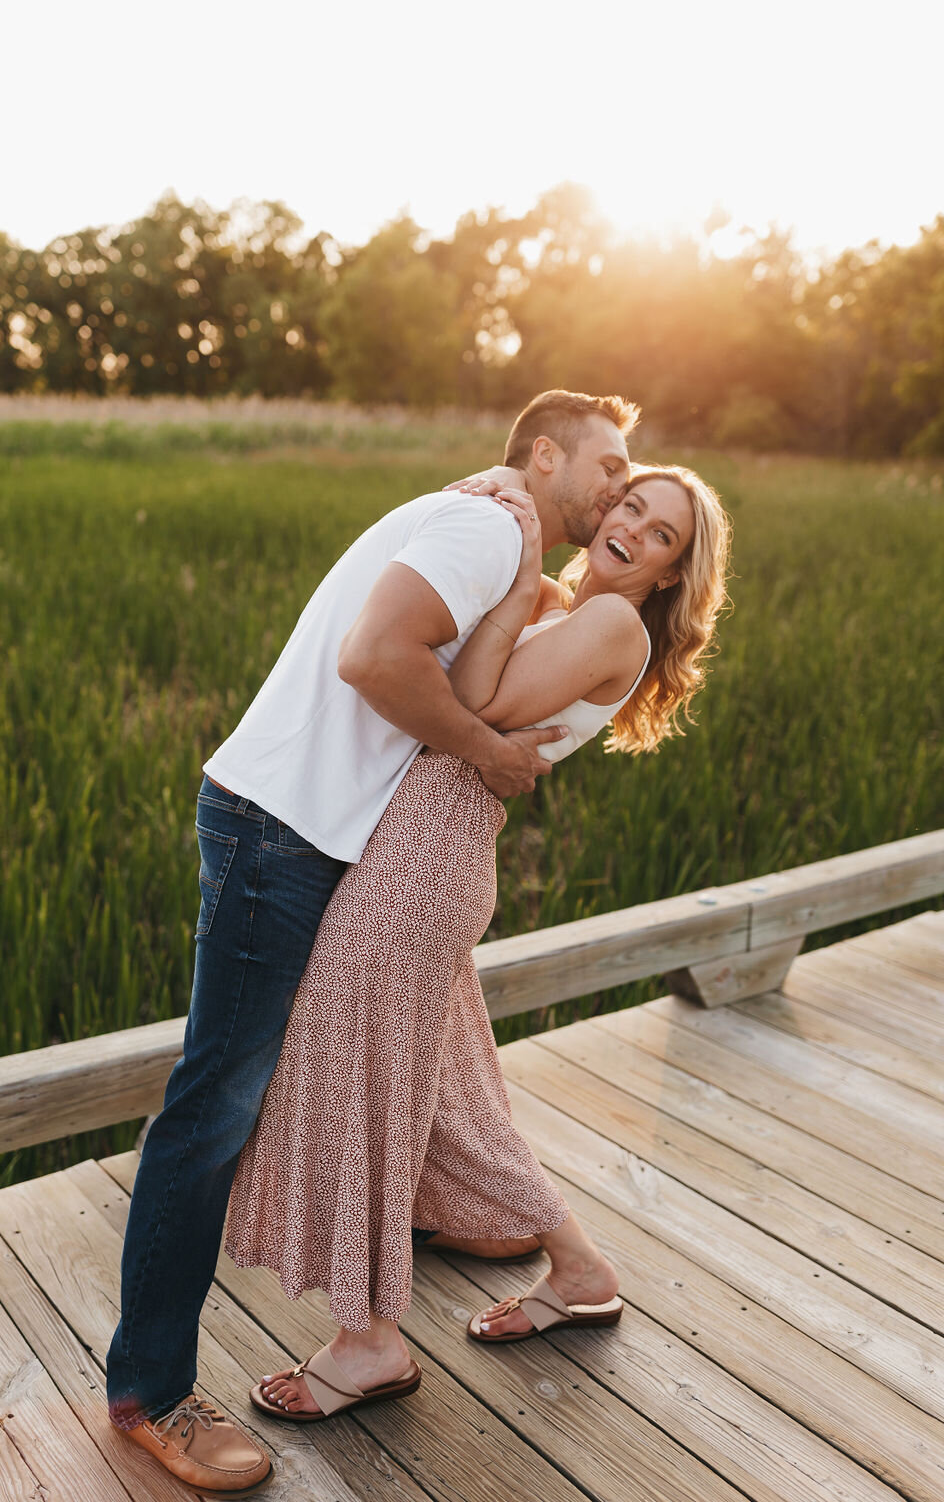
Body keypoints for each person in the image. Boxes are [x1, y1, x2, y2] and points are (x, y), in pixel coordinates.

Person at [108, 389, 641, 1492]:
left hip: (298, 828)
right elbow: (372, 659)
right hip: (282, 830)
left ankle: (448, 1248)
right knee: (213, 1105)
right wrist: (486, 755)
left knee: (289, 1082)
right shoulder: (488, 525)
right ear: (542, 456)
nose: (618, 488)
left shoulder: (496, 530)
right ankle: (151, 1393)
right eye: (606, 464)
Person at [226, 458, 731, 1423]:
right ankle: (580, 1269)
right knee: (450, 1096)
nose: (631, 527)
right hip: (419, 851)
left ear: (671, 574)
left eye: (661, 532)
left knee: (354, 1072)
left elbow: (482, 704)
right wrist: (505, 516)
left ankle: (369, 1339)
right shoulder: (562, 601)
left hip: (426, 862)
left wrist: (526, 568)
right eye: (630, 504)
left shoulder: (613, 622)